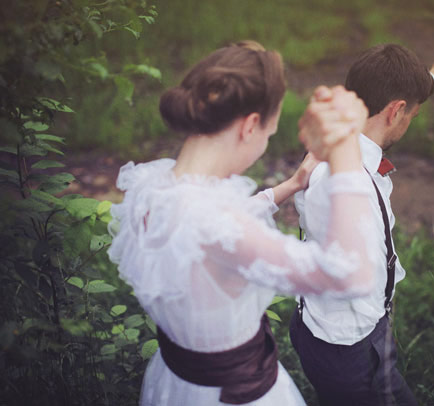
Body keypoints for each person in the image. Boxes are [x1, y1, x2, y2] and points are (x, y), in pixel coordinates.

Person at [107, 40, 381, 406]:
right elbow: (351, 276)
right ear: (251, 125)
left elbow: (209, 234)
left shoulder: (151, 188)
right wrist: (345, 150)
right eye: (268, 135)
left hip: (176, 381)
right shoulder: (218, 225)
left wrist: (291, 185)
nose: (265, 142)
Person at [290, 44, 434, 405]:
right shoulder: (354, 190)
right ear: (396, 110)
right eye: (411, 115)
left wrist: (431, 77)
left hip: (315, 326)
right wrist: (379, 329)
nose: (409, 121)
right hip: (350, 347)